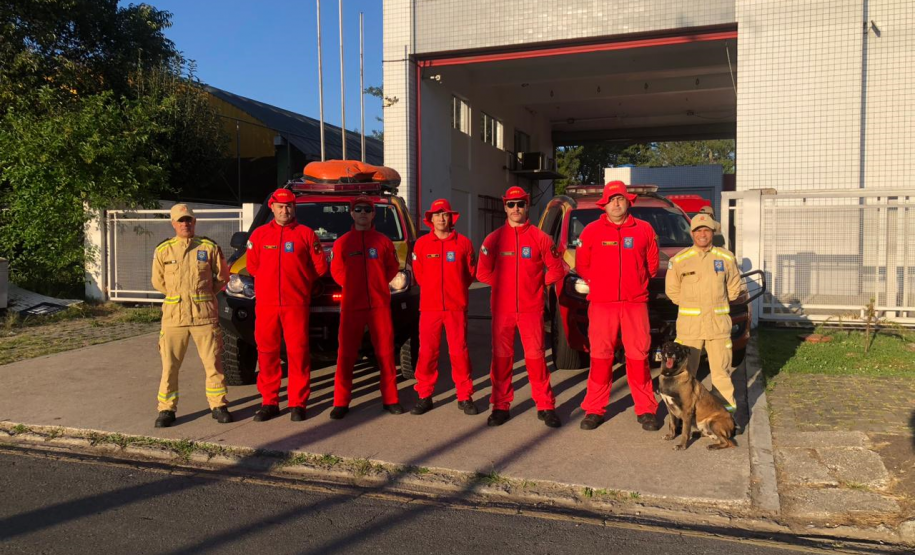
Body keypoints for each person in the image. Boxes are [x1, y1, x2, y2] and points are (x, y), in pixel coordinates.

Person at [575, 181, 661, 431]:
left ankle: (646, 410)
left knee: (638, 357)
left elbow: (652, 265)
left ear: (628, 201)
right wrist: (601, 286)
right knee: (600, 357)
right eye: (612, 199)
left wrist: (637, 284)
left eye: (620, 199)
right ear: (604, 203)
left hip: (635, 304)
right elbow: (583, 265)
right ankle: (594, 409)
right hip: (603, 305)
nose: (616, 203)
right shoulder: (591, 231)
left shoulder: (644, 229)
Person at [476, 186, 565, 428]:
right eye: (511, 204)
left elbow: (557, 269)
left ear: (527, 207)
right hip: (502, 310)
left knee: (536, 359)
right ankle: (500, 406)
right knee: (502, 359)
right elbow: (482, 272)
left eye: (521, 204)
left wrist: (536, 285)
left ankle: (545, 406)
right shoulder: (493, 239)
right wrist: (505, 284)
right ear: (505, 207)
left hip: (531, 309)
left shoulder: (540, 238)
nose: (516, 208)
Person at [246, 188, 328, 422]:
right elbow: (253, 267)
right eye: (280, 206)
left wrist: (300, 283)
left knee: (298, 353)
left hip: (296, 304)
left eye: (289, 206)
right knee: (267, 352)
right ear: (272, 207)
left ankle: (298, 402)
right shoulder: (259, 235)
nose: (285, 210)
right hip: (267, 305)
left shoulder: (306, 234)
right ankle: (269, 402)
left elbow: (320, 267)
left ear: (294, 208)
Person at [151, 204, 232, 428]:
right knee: (169, 366)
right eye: (181, 221)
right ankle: (166, 409)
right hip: (174, 318)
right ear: (173, 224)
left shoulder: (208, 247)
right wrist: (179, 297)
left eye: (189, 220)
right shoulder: (163, 250)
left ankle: (218, 405)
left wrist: (203, 295)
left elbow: (222, 277)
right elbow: (158, 282)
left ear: (194, 222)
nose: (185, 224)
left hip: (203, 316)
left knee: (213, 363)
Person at [330, 196, 403, 419]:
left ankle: (391, 399)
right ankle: (341, 402)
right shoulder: (342, 242)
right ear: (352, 214)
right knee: (346, 355)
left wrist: (378, 283)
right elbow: (336, 271)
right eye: (358, 209)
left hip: (379, 305)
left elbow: (392, 267)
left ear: (373, 214)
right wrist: (353, 285)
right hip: (352, 305)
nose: (363, 213)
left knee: (386, 354)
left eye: (367, 210)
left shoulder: (383, 242)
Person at [665, 212, 746, 415]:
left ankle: (725, 417)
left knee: (721, 374)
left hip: (718, 327)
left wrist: (714, 304)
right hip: (689, 329)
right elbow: (672, 292)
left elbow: (735, 288)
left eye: (706, 230)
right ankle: (688, 415)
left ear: (712, 233)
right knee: (685, 375)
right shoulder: (680, 260)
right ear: (692, 233)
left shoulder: (726, 258)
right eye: (698, 230)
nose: (702, 234)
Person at [410, 198, 477, 416]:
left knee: (459, 352)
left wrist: (455, 291)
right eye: (437, 214)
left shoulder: (463, 244)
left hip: (456, 308)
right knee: (427, 353)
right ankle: (424, 395)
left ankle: (465, 396)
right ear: (430, 219)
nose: (441, 218)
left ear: (451, 217)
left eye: (445, 214)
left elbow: (469, 274)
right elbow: (419, 275)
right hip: (429, 308)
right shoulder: (421, 245)